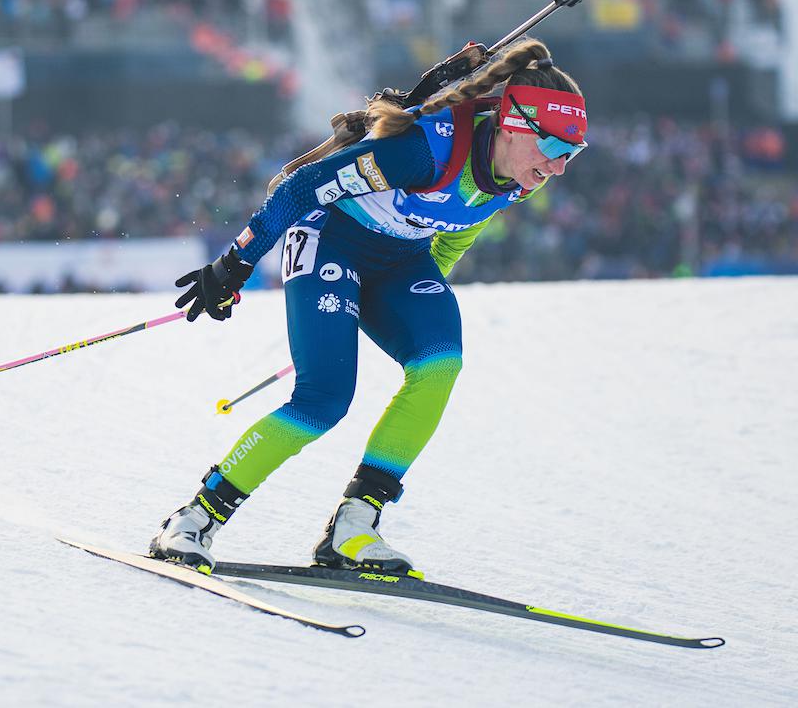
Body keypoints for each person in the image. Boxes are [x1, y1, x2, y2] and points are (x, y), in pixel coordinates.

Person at [150, 37, 587, 573]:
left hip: (399, 260)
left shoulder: (520, 174)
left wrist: (398, 310)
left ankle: (355, 526)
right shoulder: (423, 151)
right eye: (555, 149)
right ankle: (193, 520)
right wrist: (237, 262)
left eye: (573, 154)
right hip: (330, 238)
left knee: (440, 361)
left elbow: (456, 230)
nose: (560, 167)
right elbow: (302, 189)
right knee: (324, 400)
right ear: (514, 125)